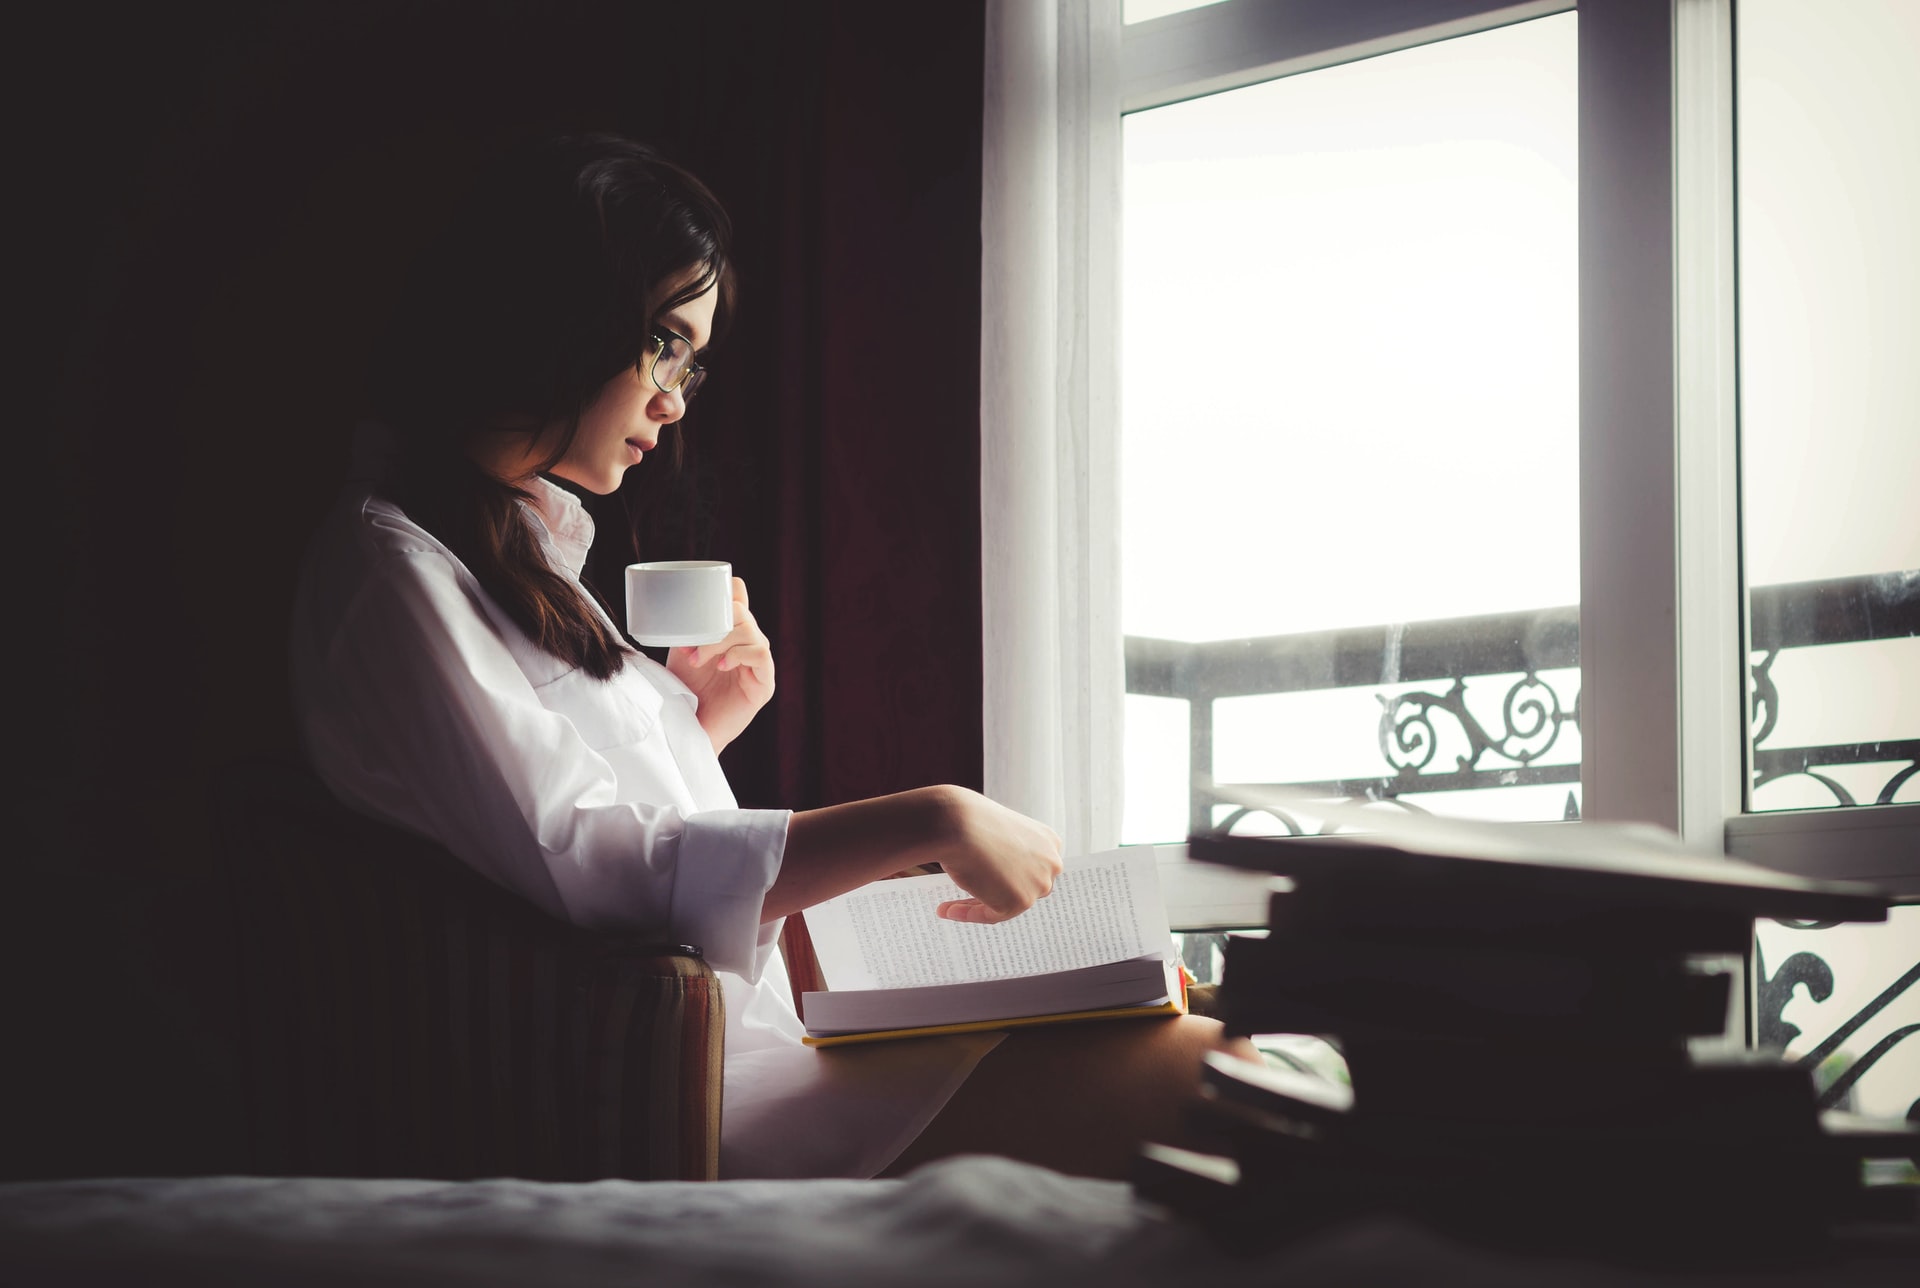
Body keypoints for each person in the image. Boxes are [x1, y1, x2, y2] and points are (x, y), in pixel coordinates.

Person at [290, 132, 1233, 1181]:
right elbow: (592, 864)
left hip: (749, 1047)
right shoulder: (394, 570)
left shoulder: (521, 558)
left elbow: (566, 824)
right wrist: (934, 815)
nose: (675, 398)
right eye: (661, 342)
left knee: (1222, 1055)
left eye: (689, 359)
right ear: (559, 309)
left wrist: (699, 725)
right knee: (1222, 1082)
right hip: (695, 1092)